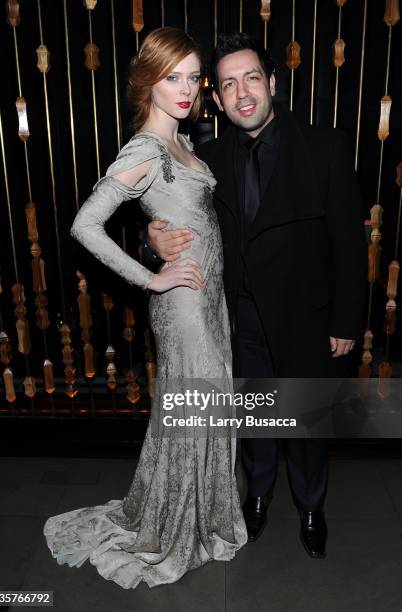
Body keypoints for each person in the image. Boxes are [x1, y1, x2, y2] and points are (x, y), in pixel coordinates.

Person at [146, 33, 367, 559]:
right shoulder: (207, 160)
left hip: (306, 319)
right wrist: (152, 239)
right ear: (217, 101)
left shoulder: (323, 147)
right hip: (237, 320)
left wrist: (345, 321)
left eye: (251, 78)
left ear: (271, 83)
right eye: (228, 84)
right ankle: (259, 497)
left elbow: (349, 245)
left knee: (307, 426)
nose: (242, 92)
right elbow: (171, 218)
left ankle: (312, 507)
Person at [43, 27, 247, 589]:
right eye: (170, 78)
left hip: (210, 300)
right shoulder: (146, 148)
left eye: (191, 78)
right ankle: (177, 527)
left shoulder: (185, 142)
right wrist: (152, 278)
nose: (185, 90)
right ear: (147, 83)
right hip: (182, 304)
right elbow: (85, 224)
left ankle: (203, 520)